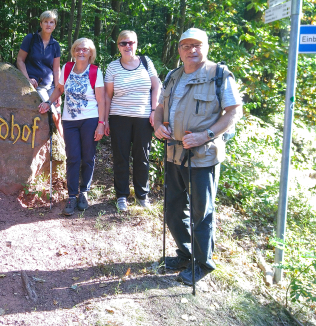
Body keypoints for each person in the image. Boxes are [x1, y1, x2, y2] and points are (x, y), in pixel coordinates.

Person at [154, 28, 242, 285]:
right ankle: (185, 254)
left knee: (201, 213)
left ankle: (203, 264)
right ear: (179, 50)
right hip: (173, 153)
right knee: (173, 208)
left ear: (206, 47)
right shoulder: (172, 76)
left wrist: (206, 135)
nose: (192, 50)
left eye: (197, 45)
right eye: (186, 46)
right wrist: (158, 126)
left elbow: (232, 112)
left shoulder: (219, 75)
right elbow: (160, 108)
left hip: (203, 157)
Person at [39, 38, 105, 216]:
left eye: (85, 49)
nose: (81, 52)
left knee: (88, 156)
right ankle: (72, 195)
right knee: (73, 157)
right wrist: (48, 102)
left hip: (90, 119)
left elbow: (101, 100)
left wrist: (101, 124)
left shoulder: (95, 71)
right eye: (77, 49)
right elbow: (59, 89)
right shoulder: (67, 68)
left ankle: (84, 192)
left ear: (90, 53)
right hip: (69, 121)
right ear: (73, 51)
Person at [104, 30, 160, 211]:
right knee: (121, 157)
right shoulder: (112, 67)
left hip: (144, 118)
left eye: (131, 43)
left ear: (136, 44)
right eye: (123, 43)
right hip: (119, 117)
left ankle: (141, 195)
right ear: (118, 46)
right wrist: (104, 120)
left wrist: (154, 110)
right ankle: (121, 195)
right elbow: (107, 96)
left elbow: (156, 86)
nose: (128, 46)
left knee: (142, 156)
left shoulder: (146, 62)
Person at [16, 10, 63, 137]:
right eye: (46, 22)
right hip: (37, 85)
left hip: (51, 85)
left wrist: (58, 91)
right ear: (41, 24)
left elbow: (56, 68)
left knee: (58, 116)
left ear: (55, 25)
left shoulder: (55, 45)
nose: (48, 25)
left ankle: (65, 150)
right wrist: (27, 80)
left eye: (51, 22)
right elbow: (20, 60)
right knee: (52, 113)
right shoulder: (30, 39)